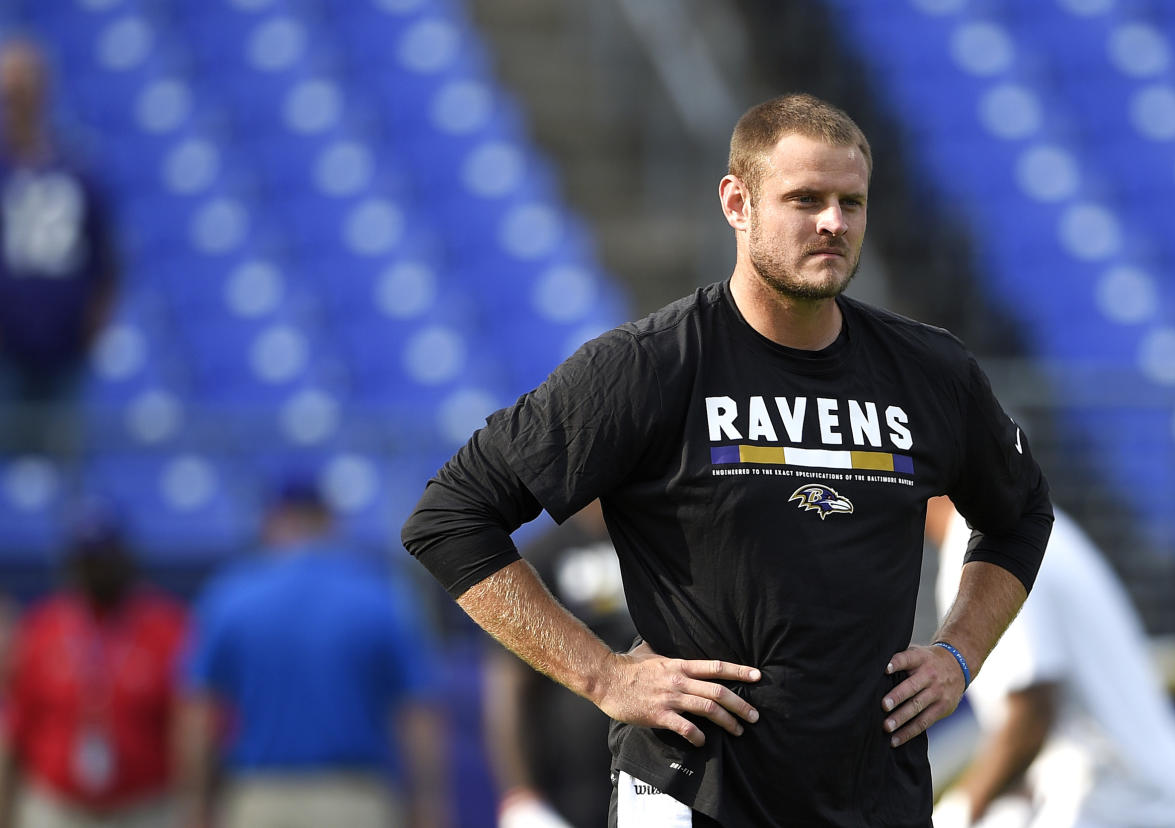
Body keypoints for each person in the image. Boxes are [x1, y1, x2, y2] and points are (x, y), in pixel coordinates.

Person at [402, 92, 1053, 827]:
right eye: (805, 199)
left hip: (875, 797)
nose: (834, 223)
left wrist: (960, 653)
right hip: (691, 796)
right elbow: (449, 518)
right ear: (736, 202)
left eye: (852, 202)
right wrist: (603, 675)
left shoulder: (932, 372)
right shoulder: (648, 366)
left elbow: (1022, 513)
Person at [927, 497, 1175, 828]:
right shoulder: (1025, 526)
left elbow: (1031, 716)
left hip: (1128, 807)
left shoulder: (989, 546)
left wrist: (956, 814)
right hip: (1143, 801)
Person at [177, 479, 450, 828]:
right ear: (329, 521)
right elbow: (418, 714)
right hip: (355, 801)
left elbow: (197, 714)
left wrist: (196, 804)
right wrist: (429, 804)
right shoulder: (381, 595)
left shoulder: (230, 596)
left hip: (260, 800)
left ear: (270, 521)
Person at [0, 496, 188, 828]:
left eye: (105, 558)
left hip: (145, 807)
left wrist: (194, 804)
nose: (98, 570)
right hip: (57, 808)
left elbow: (189, 724)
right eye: (89, 560)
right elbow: (17, 729)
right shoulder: (43, 628)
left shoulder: (166, 627)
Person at [484, 500, 636, 828]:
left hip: (656, 773)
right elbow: (510, 682)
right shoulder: (543, 555)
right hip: (570, 783)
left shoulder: (663, 545)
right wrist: (520, 793)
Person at [0, 36, 119, 454]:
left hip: (64, 357)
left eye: (22, 91)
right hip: (6, 357)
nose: (14, 103)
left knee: (62, 465)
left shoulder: (76, 173)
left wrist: (88, 333)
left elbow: (108, 264)